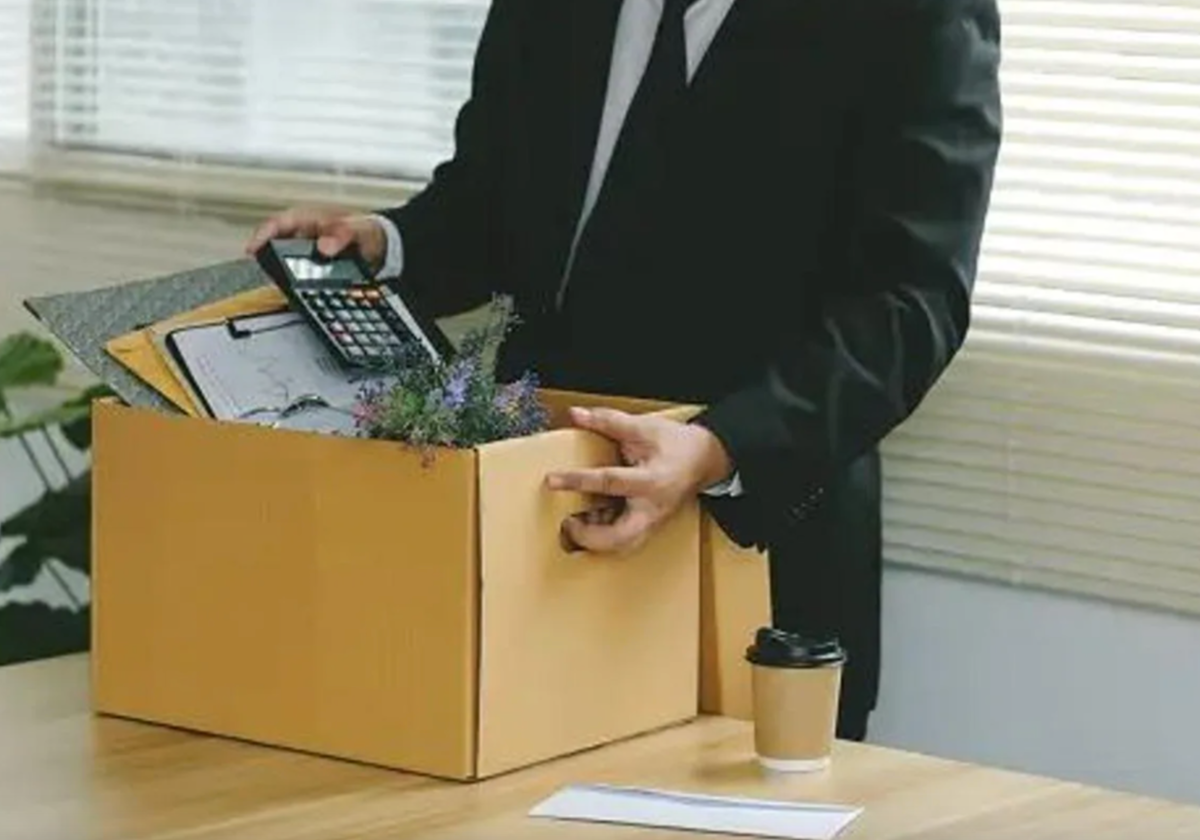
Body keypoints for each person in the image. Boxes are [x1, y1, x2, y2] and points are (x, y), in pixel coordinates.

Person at [245, 0, 1003, 741]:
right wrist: (389, 243)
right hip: (538, 528)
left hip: (757, 541)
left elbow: (911, 302)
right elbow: (497, 199)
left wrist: (718, 447)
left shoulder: (914, 13)